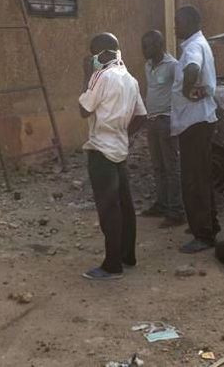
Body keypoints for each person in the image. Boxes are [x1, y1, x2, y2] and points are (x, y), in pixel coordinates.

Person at [78, 33, 147, 280]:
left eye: (93, 53)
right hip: (119, 149)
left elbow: (84, 109)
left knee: (109, 209)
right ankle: (128, 255)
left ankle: (112, 264)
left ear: (103, 53)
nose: (91, 58)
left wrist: (87, 74)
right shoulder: (130, 79)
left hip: (101, 151)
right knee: (125, 207)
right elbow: (141, 116)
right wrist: (123, 134)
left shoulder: (101, 76)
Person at [171, 6, 221, 253]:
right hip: (198, 121)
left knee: (193, 181)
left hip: (194, 123)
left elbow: (192, 68)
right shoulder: (199, 43)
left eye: (178, 22)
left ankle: (203, 235)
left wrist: (185, 89)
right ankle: (209, 226)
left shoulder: (193, 47)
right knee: (201, 178)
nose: (174, 27)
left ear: (191, 22)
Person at [139, 30, 184, 228]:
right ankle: (162, 204)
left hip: (166, 121)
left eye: (146, 45)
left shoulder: (173, 66)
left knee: (171, 167)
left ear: (158, 45)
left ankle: (175, 211)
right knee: (157, 166)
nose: (143, 50)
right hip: (152, 120)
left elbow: (182, 93)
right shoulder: (148, 65)